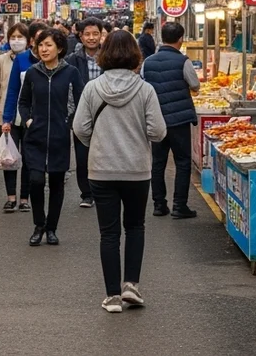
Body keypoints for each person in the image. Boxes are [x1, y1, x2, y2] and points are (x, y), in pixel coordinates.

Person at [74, 31, 167, 313]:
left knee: (109, 234)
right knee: (135, 227)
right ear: (135, 56)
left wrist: (99, 142)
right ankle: (131, 287)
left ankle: (112, 296)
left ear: (104, 55)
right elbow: (159, 131)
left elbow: (79, 128)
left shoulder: (92, 88)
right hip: (137, 170)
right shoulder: (145, 89)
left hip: (101, 170)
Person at [17, 28, 83, 246]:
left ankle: (52, 228)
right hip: (34, 137)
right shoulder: (33, 73)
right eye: (40, 45)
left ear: (60, 48)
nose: (43, 49)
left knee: (56, 184)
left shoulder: (71, 72)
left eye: (48, 45)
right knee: (35, 181)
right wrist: (27, 120)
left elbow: (80, 101)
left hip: (59, 138)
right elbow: (23, 101)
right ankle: (39, 225)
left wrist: (68, 123)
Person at [141, 21, 200, 218]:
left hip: (156, 119)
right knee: (182, 162)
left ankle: (159, 204)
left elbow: (142, 87)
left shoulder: (147, 62)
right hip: (179, 121)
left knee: (158, 162)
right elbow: (195, 85)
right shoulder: (183, 61)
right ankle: (179, 206)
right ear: (181, 39)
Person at [0, 22, 30, 212]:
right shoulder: (1, 60)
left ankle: (25, 198)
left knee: (29, 159)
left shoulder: (33, 60)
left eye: (21, 37)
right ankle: (11, 197)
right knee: (8, 158)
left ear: (28, 41)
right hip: (5, 118)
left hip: (29, 118)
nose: (17, 41)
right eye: (13, 37)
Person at [66, 17, 105, 208]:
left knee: (104, 154)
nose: (91, 38)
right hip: (81, 115)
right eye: (87, 34)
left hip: (106, 115)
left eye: (95, 34)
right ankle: (86, 194)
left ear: (101, 35)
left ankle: (103, 190)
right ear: (80, 36)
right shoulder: (72, 60)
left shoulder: (109, 58)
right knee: (83, 156)